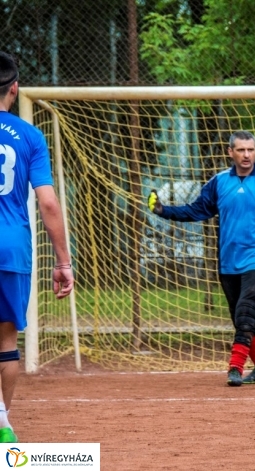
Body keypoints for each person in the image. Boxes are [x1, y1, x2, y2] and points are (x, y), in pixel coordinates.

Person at [149, 130, 255, 387]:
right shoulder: (218, 182)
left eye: (251, 150)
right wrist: (162, 210)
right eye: (241, 150)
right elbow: (196, 210)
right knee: (241, 319)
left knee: (245, 312)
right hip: (228, 261)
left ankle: (235, 368)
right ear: (230, 152)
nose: (246, 155)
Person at [0, 52, 74, 442]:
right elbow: (47, 202)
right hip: (11, 248)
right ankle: (3, 425)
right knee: (7, 342)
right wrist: (64, 261)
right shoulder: (30, 135)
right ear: (15, 88)